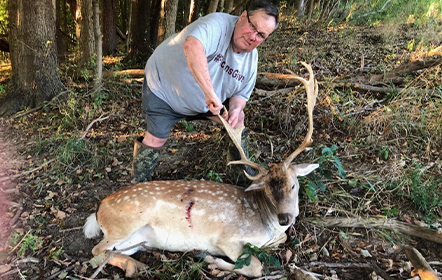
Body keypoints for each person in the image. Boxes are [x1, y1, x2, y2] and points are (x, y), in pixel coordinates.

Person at [133, 0, 279, 183]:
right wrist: (210, 93)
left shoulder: (251, 61)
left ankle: (241, 182)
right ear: (243, 16)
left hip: (206, 102)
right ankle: (137, 185)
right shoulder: (217, 25)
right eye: (252, 26)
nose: (253, 37)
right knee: (156, 139)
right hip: (165, 88)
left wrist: (235, 110)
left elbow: (241, 94)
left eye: (261, 35)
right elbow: (192, 46)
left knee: (237, 122)